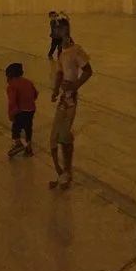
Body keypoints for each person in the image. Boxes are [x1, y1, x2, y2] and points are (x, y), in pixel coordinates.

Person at [47, 33, 93, 190]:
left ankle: (67, 172)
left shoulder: (75, 51)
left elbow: (88, 70)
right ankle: (61, 172)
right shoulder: (62, 53)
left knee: (64, 136)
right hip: (63, 99)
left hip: (70, 99)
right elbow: (60, 73)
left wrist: (75, 86)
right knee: (54, 138)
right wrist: (55, 90)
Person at [4, 63, 37, 159]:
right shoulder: (28, 82)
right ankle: (29, 148)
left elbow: (12, 102)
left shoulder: (12, 86)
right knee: (28, 127)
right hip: (31, 109)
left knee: (16, 128)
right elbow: (35, 94)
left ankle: (18, 144)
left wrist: (11, 114)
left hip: (20, 110)